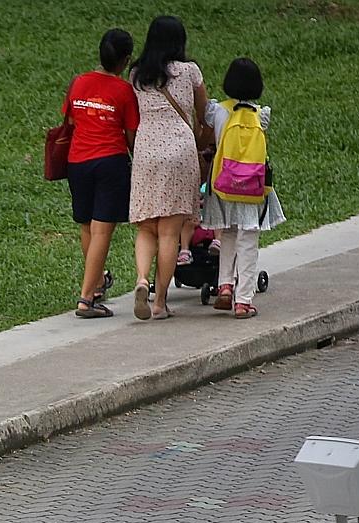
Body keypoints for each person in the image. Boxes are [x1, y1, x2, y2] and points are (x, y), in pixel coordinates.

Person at [127, 15, 207, 321]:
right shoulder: (189, 71)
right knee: (170, 233)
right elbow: (204, 112)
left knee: (147, 226)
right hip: (180, 151)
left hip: (146, 150)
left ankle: (141, 280)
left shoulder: (136, 73)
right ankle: (159, 302)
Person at [61, 28, 138, 318]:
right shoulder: (123, 91)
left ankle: (96, 283)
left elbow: (70, 119)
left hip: (77, 162)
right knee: (102, 229)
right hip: (110, 162)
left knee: (86, 226)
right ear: (126, 60)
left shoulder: (78, 83)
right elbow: (131, 134)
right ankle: (87, 299)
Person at [202, 57, 285, 319]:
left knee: (226, 233)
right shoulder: (262, 115)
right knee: (248, 238)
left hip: (223, 183)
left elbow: (206, 123)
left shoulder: (217, 111)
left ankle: (225, 285)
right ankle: (244, 300)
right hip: (252, 187)